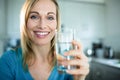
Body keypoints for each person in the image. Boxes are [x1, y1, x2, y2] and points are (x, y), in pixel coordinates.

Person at [0, 0, 89, 80]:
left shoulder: (67, 62)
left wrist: (79, 79)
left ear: (56, 24)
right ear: (25, 22)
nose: (42, 25)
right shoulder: (8, 61)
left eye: (50, 17)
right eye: (34, 16)